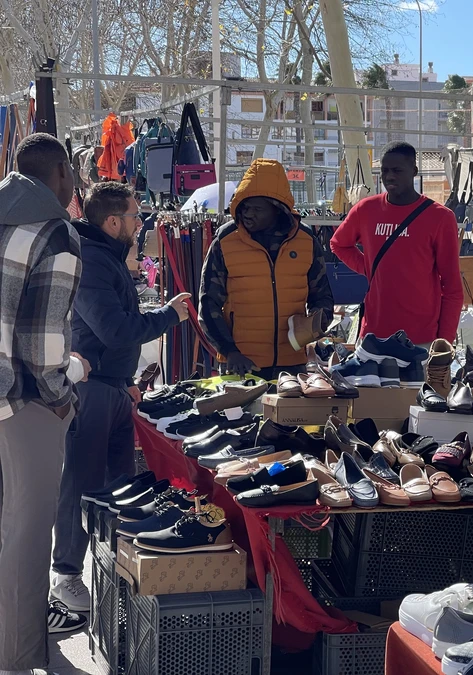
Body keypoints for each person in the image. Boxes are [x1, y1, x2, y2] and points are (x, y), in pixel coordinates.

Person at [50, 182, 190, 611]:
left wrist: (124, 377)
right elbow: (113, 329)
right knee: (82, 484)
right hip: (91, 389)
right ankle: (66, 576)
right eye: (134, 215)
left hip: (110, 385)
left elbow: (114, 327)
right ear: (113, 222)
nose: (140, 222)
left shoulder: (104, 256)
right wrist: (167, 316)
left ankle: (108, 572)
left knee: (116, 488)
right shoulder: (93, 260)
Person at [0, 133, 84, 672]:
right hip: (22, 401)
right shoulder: (55, 232)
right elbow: (43, 343)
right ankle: (17, 655)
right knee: (27, 536)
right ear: (60, 173)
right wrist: (60, 395)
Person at [199, 158, 334, 379]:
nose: (247, 214)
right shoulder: (225, 241)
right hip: (241, 365)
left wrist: (316, 324)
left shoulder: (306, 240)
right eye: (245, 207)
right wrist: (229, 350)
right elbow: (208, 302)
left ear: (277, 209)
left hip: (292, 366)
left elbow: (322, 295)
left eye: (257, 209)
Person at [330, 142, 463, 346]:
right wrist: (368, 267)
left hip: (421, 338)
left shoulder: (440, 217)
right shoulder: (366, 210)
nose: (390, 176)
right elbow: (339, 244)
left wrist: (444, 341)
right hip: (373, 335)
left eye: (397, 170)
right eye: (385, 171)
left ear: (414, 172)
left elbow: (452, 286)